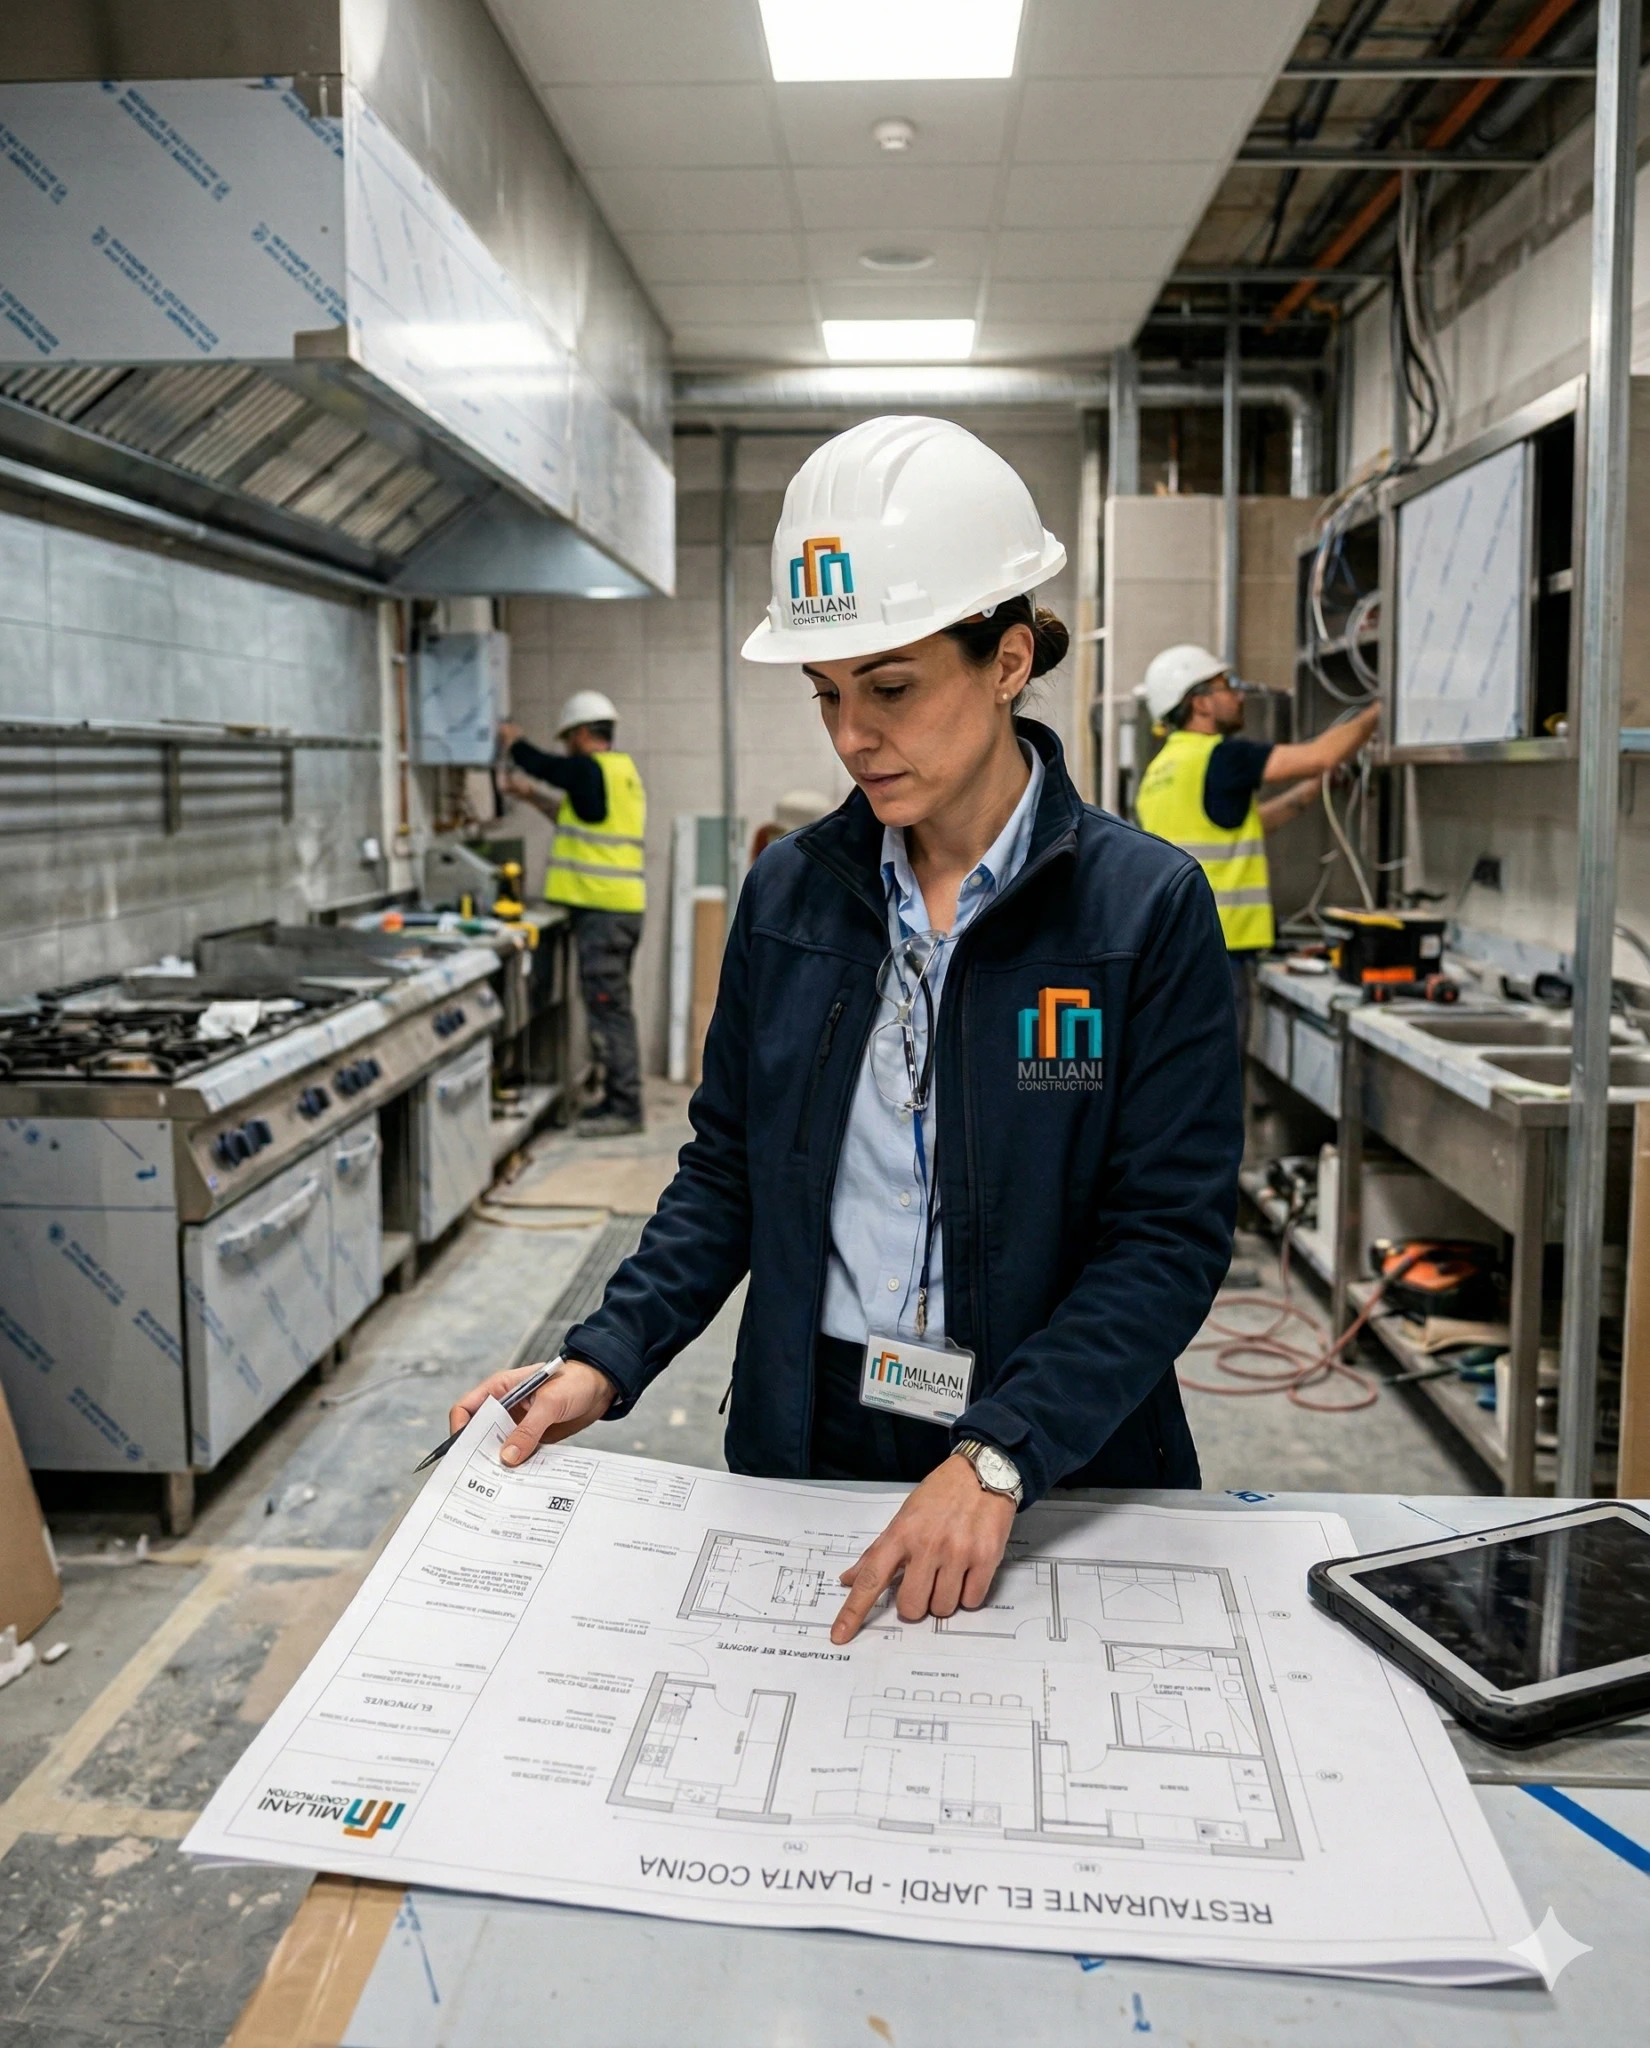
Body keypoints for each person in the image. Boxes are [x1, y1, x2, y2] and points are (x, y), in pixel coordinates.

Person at [454, 416, 1241, 1644]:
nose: (851, 735)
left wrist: (999, 1454)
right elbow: (728, 1171)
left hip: (1055, 1447)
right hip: (811, 1424)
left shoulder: (1141, 911)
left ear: (1008, 658)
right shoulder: (793, 896)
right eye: (827, 693)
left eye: (890, 687)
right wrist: (603, 1355)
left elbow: (1166, 1237)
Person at [1134, 645, 1379, 1047]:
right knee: (1220, 1072)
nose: (1239, 695)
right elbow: (1322, 755)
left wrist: (1312, 791)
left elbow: (1235, 827)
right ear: (1200, 703)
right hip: (1219, 951)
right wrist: (1381, 710)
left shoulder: (1160, 771)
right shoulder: (1224, 756)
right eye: (1226, 686)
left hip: (1174, 949)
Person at [499, 691, 646, 1138]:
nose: (566, 748)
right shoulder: (619, 773)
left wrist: (514, 743)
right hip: (618, 910)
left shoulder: (588, 768)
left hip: (603, 913)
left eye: (568, 739)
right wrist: (531, 797)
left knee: (608, 1010)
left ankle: (625, 1107)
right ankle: (619, 1098)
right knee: (612, 1008)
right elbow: (578, 815)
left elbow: (548, 767)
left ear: (582, 734)